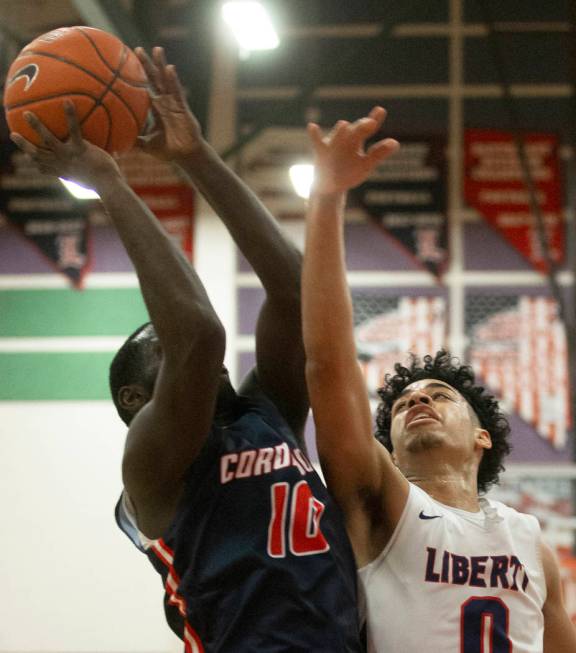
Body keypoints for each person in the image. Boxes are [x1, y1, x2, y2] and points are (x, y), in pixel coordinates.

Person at [10, 48, 364, 652]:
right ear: (133, 396)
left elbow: (295, 290)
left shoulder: (265, 413)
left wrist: (196, 157)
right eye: (159, 347)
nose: (203, 361)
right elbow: (198, 335)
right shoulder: (152, 463)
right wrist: (110, 184)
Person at [301, 107, 576, 652]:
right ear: (392, 449)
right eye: (402, 402)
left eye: (438, 394)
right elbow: (329, 366)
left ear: (482, 437)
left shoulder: (530, 541)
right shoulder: (383, 499)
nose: (417, 400)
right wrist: (327, 198)